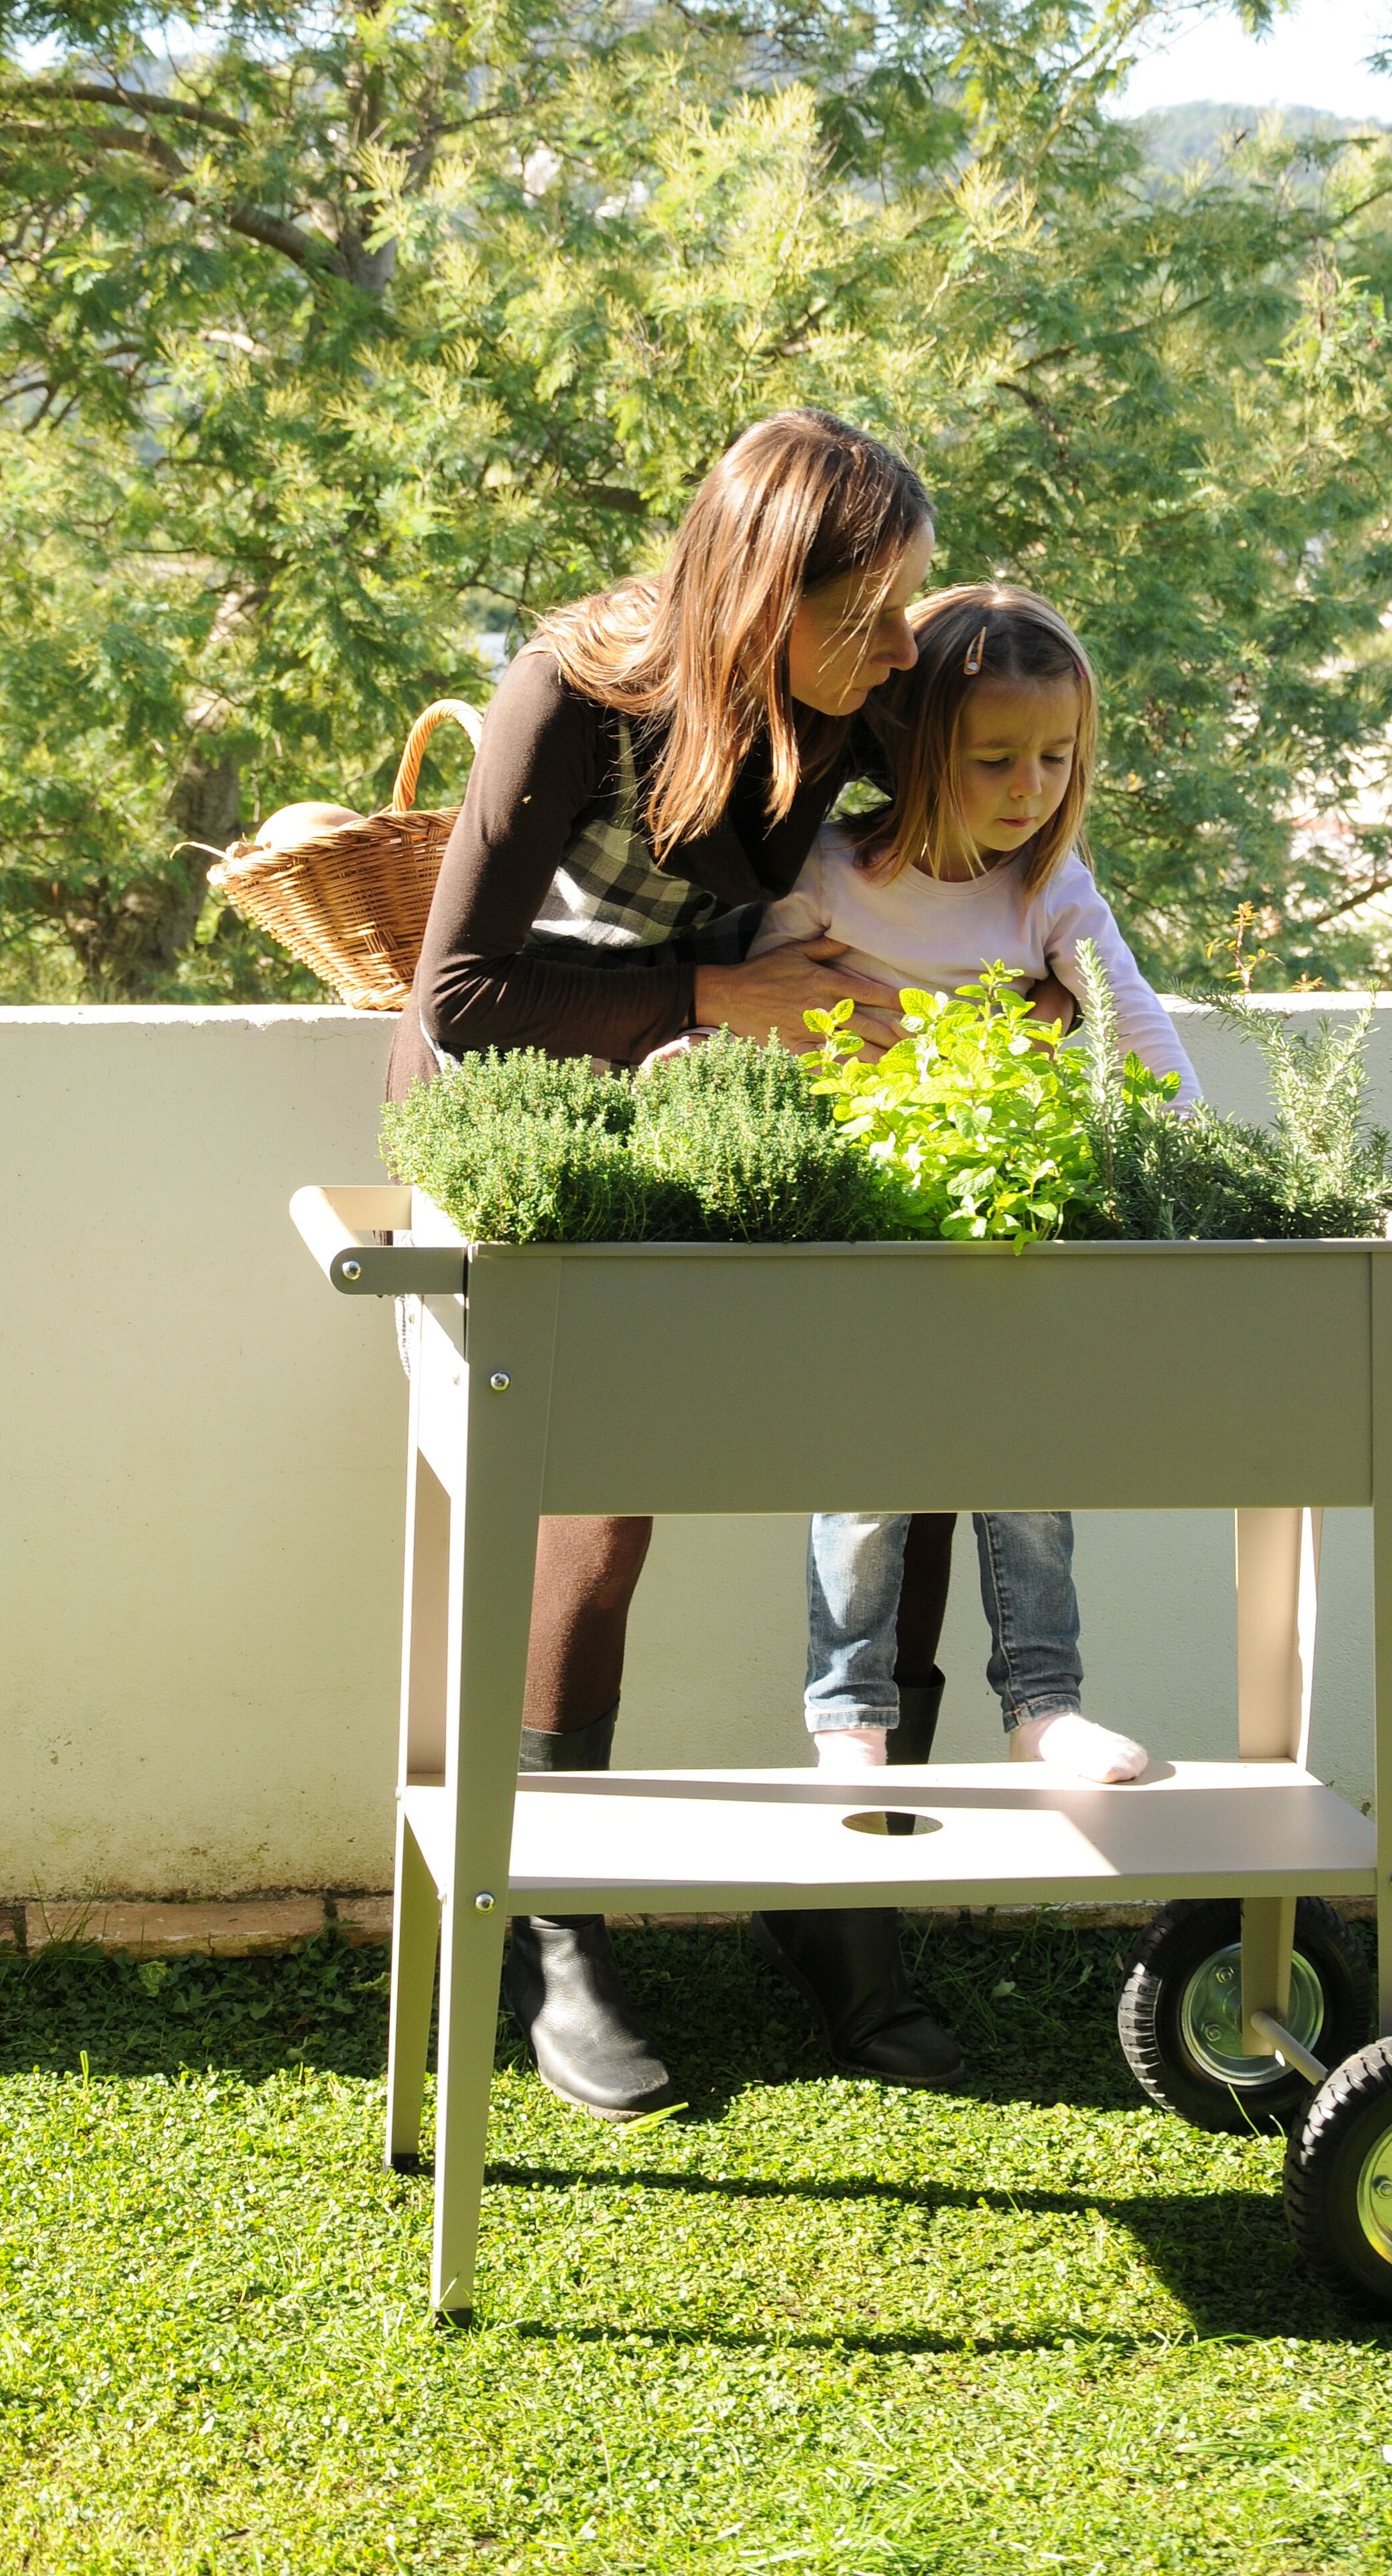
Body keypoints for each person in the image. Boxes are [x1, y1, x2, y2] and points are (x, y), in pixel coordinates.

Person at [387, 409, 966, 2120]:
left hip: (724, 1082)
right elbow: (456, 1001)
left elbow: (1005, 825)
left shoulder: (866, 691)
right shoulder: (573, 690)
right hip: (525, 1102)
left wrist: (1029, 975)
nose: (894, 643)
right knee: (608, 1475)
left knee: (904, 1426)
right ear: (751, 588)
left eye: (908, 599)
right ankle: (553, 1921)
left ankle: (847, 1884)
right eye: (863, 605)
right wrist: (718, 997)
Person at [747, 582, 1202, 1800]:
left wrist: (1198, 1166)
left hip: (1008, 1238)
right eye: (996, 758)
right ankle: (849, 1713)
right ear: (913, 747)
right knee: (863, 1478)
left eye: (1056, 756)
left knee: (1031, 1467)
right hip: (862, 1230)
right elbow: (756, 1023)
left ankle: (1044, 1705)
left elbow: (1137, 1030)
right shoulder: (830, 875)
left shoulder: (1046, 891)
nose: (1031, 787)